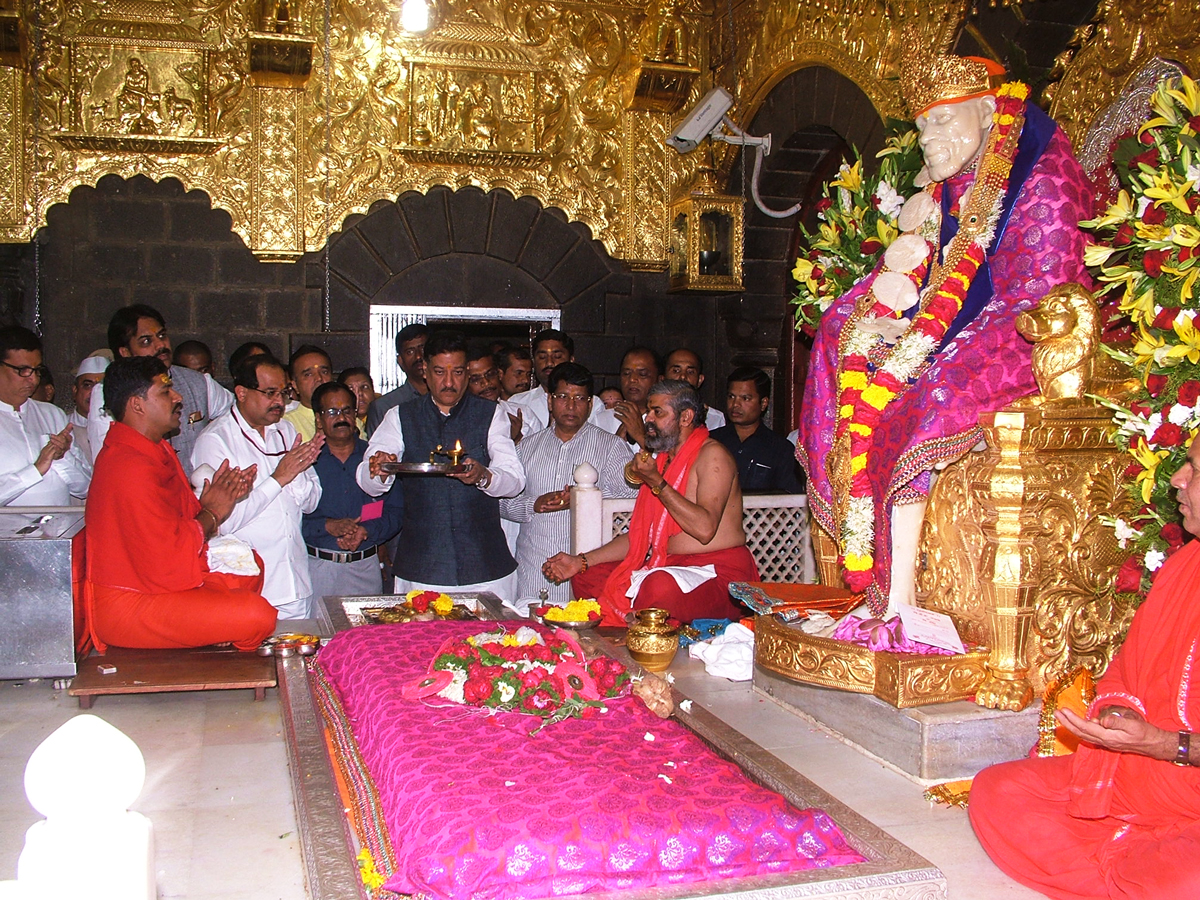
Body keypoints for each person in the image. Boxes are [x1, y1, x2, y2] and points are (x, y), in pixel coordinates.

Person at [798, 52, 1092, 613]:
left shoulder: (1042, 171)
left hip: (1028, 325)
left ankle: (898, 603)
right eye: (921, 124)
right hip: (954, 320)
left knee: (919, 400)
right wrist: (855, 315)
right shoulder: (950, 182)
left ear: (986, 111)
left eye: (941, 120)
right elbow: (926, 273)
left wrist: (932, 352)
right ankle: (862, 576)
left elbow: (1042, 286)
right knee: (842, 333)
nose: (927, 137)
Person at [968, 435, 1200, 898]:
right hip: (1141, 779)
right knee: (999, 793)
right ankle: (1130, 864)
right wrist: (1122, 713)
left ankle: (1135, 867)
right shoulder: (1185, 564)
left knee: (1182, 881)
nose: (1177, 480)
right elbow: (1127, 668)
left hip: (1177, 778)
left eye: (1193, 470)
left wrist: (1162, 744)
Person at [83, 356, 276, 652]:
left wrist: (215, 500)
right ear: (137, 405)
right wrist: (212, 512)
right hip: (131, 602)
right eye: (165, 392)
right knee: (257, 615)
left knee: (250, 568)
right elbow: (167, 559)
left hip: (160, 582)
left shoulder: (155, 448)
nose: (178, 397)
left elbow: (181, 525)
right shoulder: (128, 466)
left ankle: (210, 629)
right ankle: (213, 631)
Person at [544, 379, 757, 625]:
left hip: (718, 573)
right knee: (587, 576)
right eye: (649, 411)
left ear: (686, 417)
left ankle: (644, 633)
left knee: (658, 586)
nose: (648, 419)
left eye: (658, 412)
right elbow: (640, 535)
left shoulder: (713, 456)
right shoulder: (664, 459)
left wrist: (657, 482)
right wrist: (580, 561)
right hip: (668, 565)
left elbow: (704, 529)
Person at [357, 330, 525, 601]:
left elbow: (515, 480)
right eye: (439, 372)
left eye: (458, 372)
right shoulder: (400, 416)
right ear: (424, 370)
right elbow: (368, 481)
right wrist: (380, 468)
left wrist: (484, 477)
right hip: (421, 567)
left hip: (485, 565)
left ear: (468, 371)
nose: (449, 382)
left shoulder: (491, 414)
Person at [192, 354, 323, 619]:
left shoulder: (286, 430)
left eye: (283, 393)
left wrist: (295, 477)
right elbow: (223, 521)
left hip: (296, 583)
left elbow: (312, 502)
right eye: (270, 393)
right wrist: (279, 479)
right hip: (249, 589)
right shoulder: (216, 441)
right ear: (241, 393)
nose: (279, 402)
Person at [500, 363, 636, 606]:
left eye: (579, 398)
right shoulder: (527, 448)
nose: (571, 406)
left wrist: (584, 498)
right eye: (562, 397)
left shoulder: (610, 447)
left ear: (590, 404)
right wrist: (535, 504)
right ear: (550, 401)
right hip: (534, 572)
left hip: (591, 572)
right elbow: (502, 504)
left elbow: (630, 502)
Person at [88, 305, 234, 477]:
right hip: (142, 487)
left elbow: (237, 415)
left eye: (162, 335)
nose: (160, 345)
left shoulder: (198, 382)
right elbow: (110, 463)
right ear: (125, 352)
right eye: (146, 341)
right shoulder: (110, 393)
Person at [302, 382, 402, 604]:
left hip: (365, 567)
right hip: (319, 568)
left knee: (367, 637)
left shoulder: (376, 460)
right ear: (318, 419)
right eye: (332, 412)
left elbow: (396, 512)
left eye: (347, 410)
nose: (341, 417)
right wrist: (327, 526)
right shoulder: (304, 462)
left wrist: (366, 530)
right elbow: (287, 520)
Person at [0, 326, 90, 507]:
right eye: (23, 370)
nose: (32, 379)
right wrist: (35, 470)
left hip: (59, 531)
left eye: (37, 370)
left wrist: (62, 457)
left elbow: (86, 488)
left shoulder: (52, 414)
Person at [710, 367, 804, 494]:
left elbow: (789, 500)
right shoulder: (712, 441)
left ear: (764, 403)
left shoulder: (780, 449)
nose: (735, 404)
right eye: (731, 396)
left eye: (745, 398)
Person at [507, 329, 619, 433]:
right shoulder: (518, 403)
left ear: (571, 360)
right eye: (542, 357)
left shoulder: (592, 404)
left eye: (557, 356)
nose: (549, 363)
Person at [366, 323, 428, 434]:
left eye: (422, 349)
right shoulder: (384, 407)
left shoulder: (448, 398)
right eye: (410, 352)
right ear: (400, 361)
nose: (418, 356)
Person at [281, 344, 333, 442]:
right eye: (308, 374)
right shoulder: (285, 424)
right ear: (294, 385)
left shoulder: (349, 418)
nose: (319, 378)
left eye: (324, 372)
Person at [613, 346, 662, 448]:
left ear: (659, 379)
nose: (632, 379)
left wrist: (640, 436)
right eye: (626, 373)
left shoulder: (668, 421)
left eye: (642, 374)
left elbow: (671, 462)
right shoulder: (601, 419)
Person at [664, 348, 725, 429]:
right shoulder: (650, 416)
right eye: (676, 371)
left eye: (690, 372)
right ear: (663, 378)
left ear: (700, 380)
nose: (683, 377)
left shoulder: (714, 419)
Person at [68, 354, 108, 469]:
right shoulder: (61, 425)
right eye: (88, 385)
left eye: (102, 385)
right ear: (75, 391)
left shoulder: (122, 427)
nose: (95, 392)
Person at [338, 366, 377, 437]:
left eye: (364, 387)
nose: (359, 393)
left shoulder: (385, 418)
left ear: (373, 391)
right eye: (351, 389)